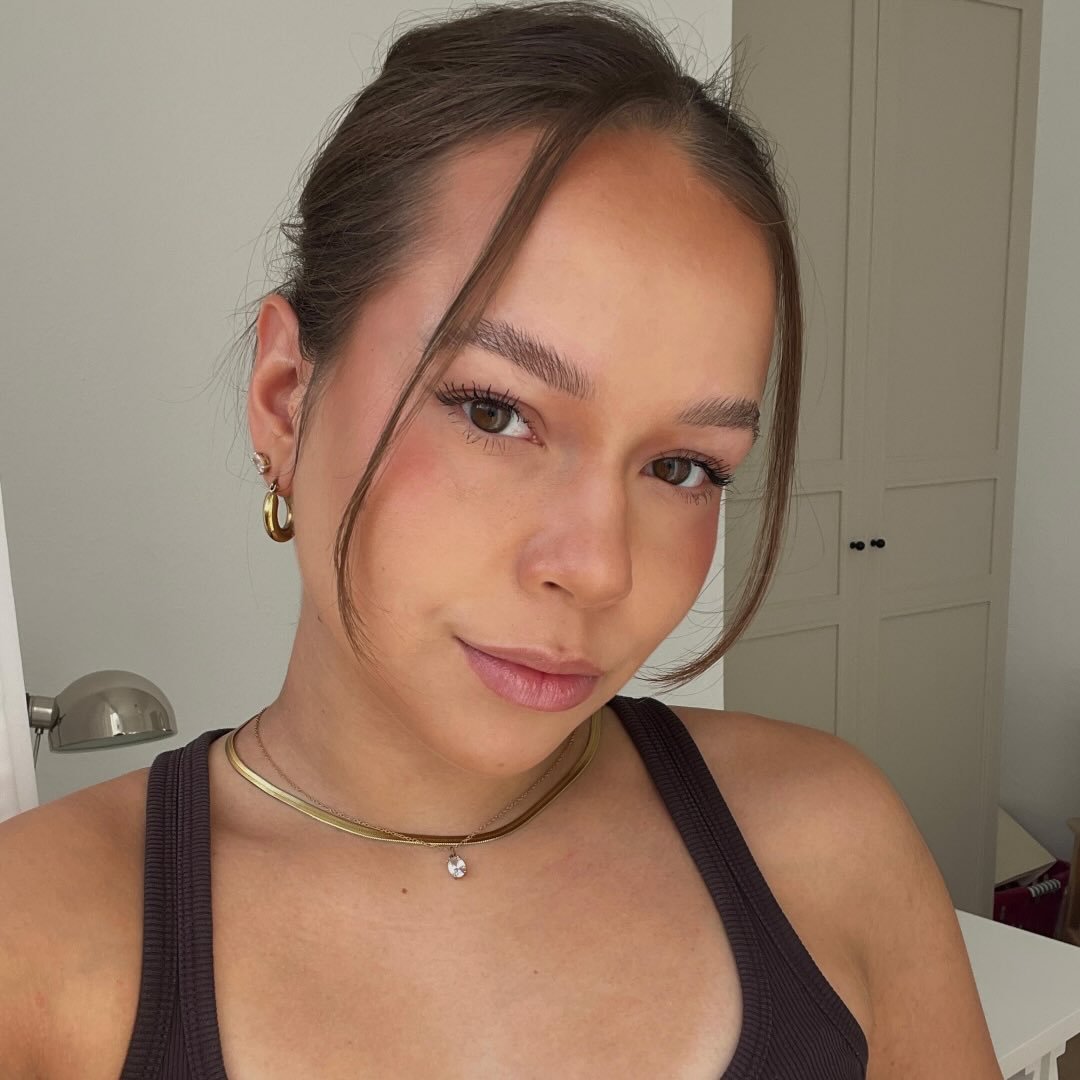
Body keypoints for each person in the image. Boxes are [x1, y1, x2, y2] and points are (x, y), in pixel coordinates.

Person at [0, 2, 1001, 1077]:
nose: (599, 567)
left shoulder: (827, 842)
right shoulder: (35, 940)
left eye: (683, 468)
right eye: (494, 411)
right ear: (286, 398)